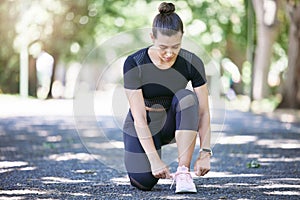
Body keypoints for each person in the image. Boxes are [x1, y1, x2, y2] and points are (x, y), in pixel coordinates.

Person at [122, 2, 212, 193]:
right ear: (152, 37)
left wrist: (205, 152)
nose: (169, 53)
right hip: (144, 123)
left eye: (176, 47)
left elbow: (203, 112)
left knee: (187, 97)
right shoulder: (134, 62)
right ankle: (150, 161)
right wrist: (154, 160)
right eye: (163, 47)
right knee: (144, 182)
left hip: (173, 121)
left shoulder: (192, 62)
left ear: (182, 39)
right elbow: (138, 117)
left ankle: (183, 172)